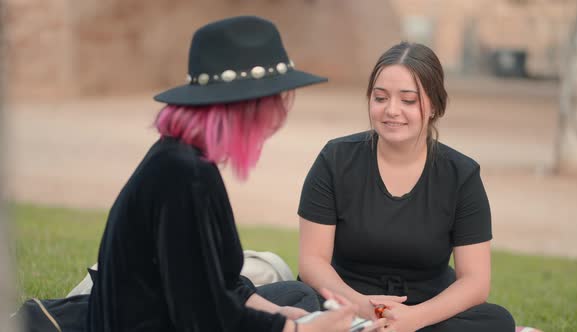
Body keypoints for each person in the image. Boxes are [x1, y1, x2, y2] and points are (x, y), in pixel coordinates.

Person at [87, 16, 380, 332]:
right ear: (251, 105)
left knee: (298, 298)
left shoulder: (183, 159)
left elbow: (218, 282)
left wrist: (282, 315)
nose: (281, 112)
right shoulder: (184, 175)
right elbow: (202, 315)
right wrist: (303, 330)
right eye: (276, 99)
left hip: (175, 312)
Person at [297, 41, 516, 332]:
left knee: (495, 321)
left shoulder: (461, 174)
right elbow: (312, 261)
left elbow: (475, 281)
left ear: (435, 105)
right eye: (380, 97)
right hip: (345, 303)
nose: (391, 110)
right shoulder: (335, 159)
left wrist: (414, 319)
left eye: (408, 100)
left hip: (426, 311)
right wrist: (363, 306)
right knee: (290, 298)